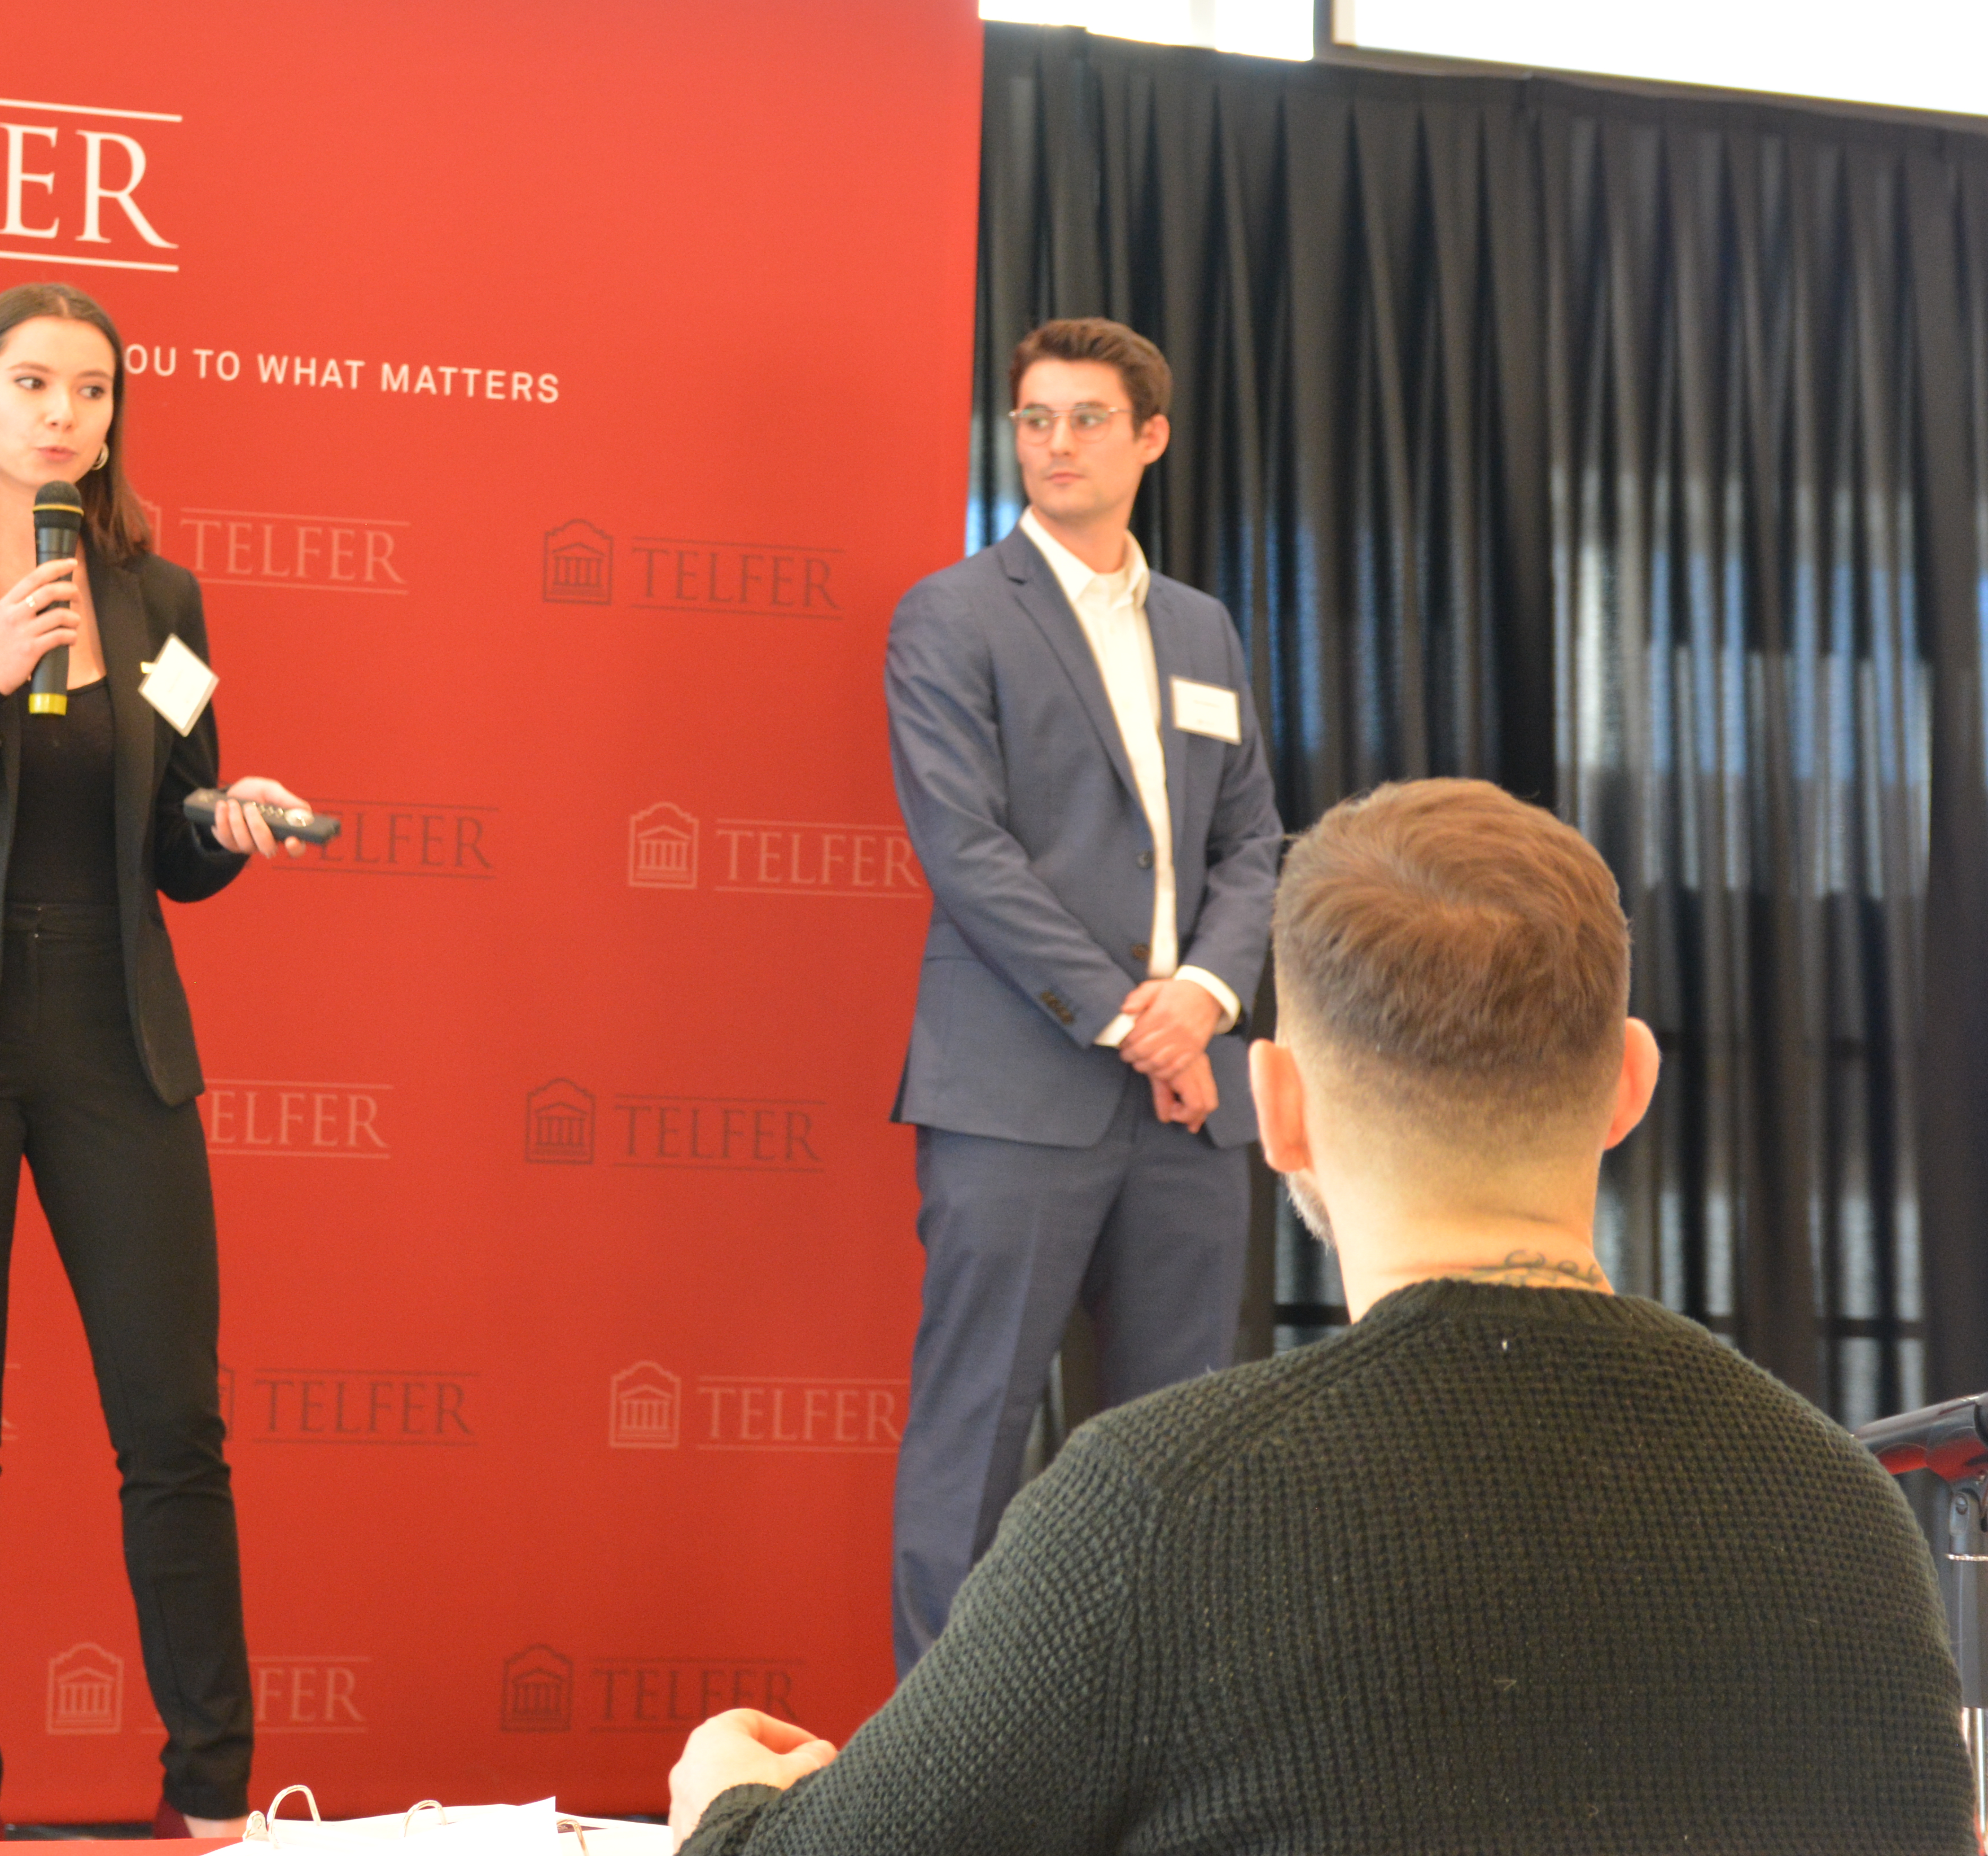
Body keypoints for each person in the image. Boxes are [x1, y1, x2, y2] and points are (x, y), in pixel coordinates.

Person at [666, 779, 1974, 1855]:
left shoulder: (1158, 1508)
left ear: (1275, 1106)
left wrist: (723, 1800)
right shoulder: (1840, 1507)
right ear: (1629, 1085)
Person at [0, 279, 309, 1840]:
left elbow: (172, 838)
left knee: (174, 1424)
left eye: (93, 392)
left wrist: (228, 829)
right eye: (33, 384)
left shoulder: (161, 598)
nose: (64, 416)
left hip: (115, 1037)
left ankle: (215, 1800)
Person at [878, 317, 1285, 1669]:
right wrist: (1132, 1017)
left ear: (1150, 438)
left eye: (1086, 419)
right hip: (1020, 1090)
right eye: (1034, 419)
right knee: (975, 1432)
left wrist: (1209, 1000)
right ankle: (944, 1775)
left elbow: (1252, 845)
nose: (1055, 444)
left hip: (1191, 1104)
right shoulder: (951, 614)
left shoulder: (1203, 627)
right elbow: (966, 851)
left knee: (1181, 1453)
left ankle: (1152, 1759)